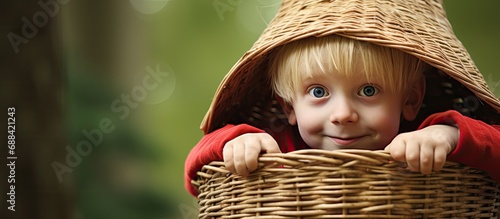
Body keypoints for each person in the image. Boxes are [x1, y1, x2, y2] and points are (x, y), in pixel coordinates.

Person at [184, 0, 500, 197]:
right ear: (290, 107)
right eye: (319, 92)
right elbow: (195, 177)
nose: (343, 114)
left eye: (369, 91)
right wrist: (236, 142)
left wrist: (448, 135)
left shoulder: (423, 142)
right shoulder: (278, 149)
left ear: (411, 100)